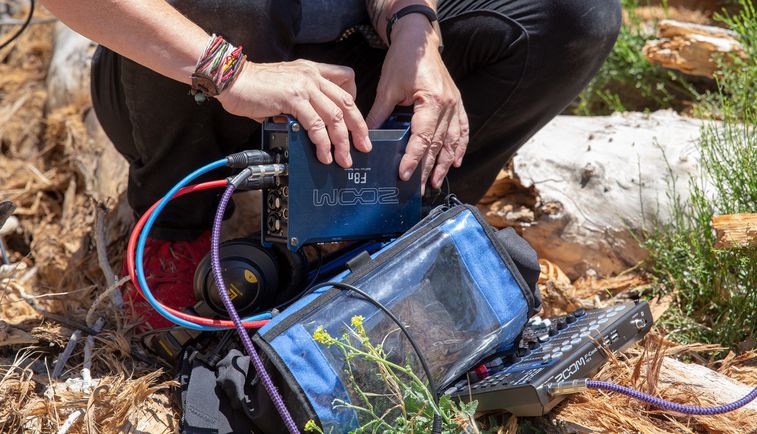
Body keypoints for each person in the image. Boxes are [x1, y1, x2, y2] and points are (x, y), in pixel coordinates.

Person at [41, 0, 621, 329]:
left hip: (348, 58)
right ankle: (178, 233)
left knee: (577, 14)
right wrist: (234, 75)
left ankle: (402, 231)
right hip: (190, 66)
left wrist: (413, 26)